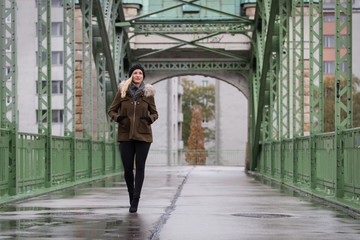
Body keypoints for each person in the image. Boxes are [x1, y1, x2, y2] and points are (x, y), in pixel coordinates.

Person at [108, 64, 158, 213]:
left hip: (144, 135)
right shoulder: (122, 92)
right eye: (135, 73)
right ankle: (131, 196)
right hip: (125, 134)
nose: (138, 75)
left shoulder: (148, 94)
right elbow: (111, 111)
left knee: (140, 168)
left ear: (143, 76)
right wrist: (119, 118)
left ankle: (136, 200)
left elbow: (155, 113)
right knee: (128, 169)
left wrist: (149, 119)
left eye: (140, 73)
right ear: (131, 75)